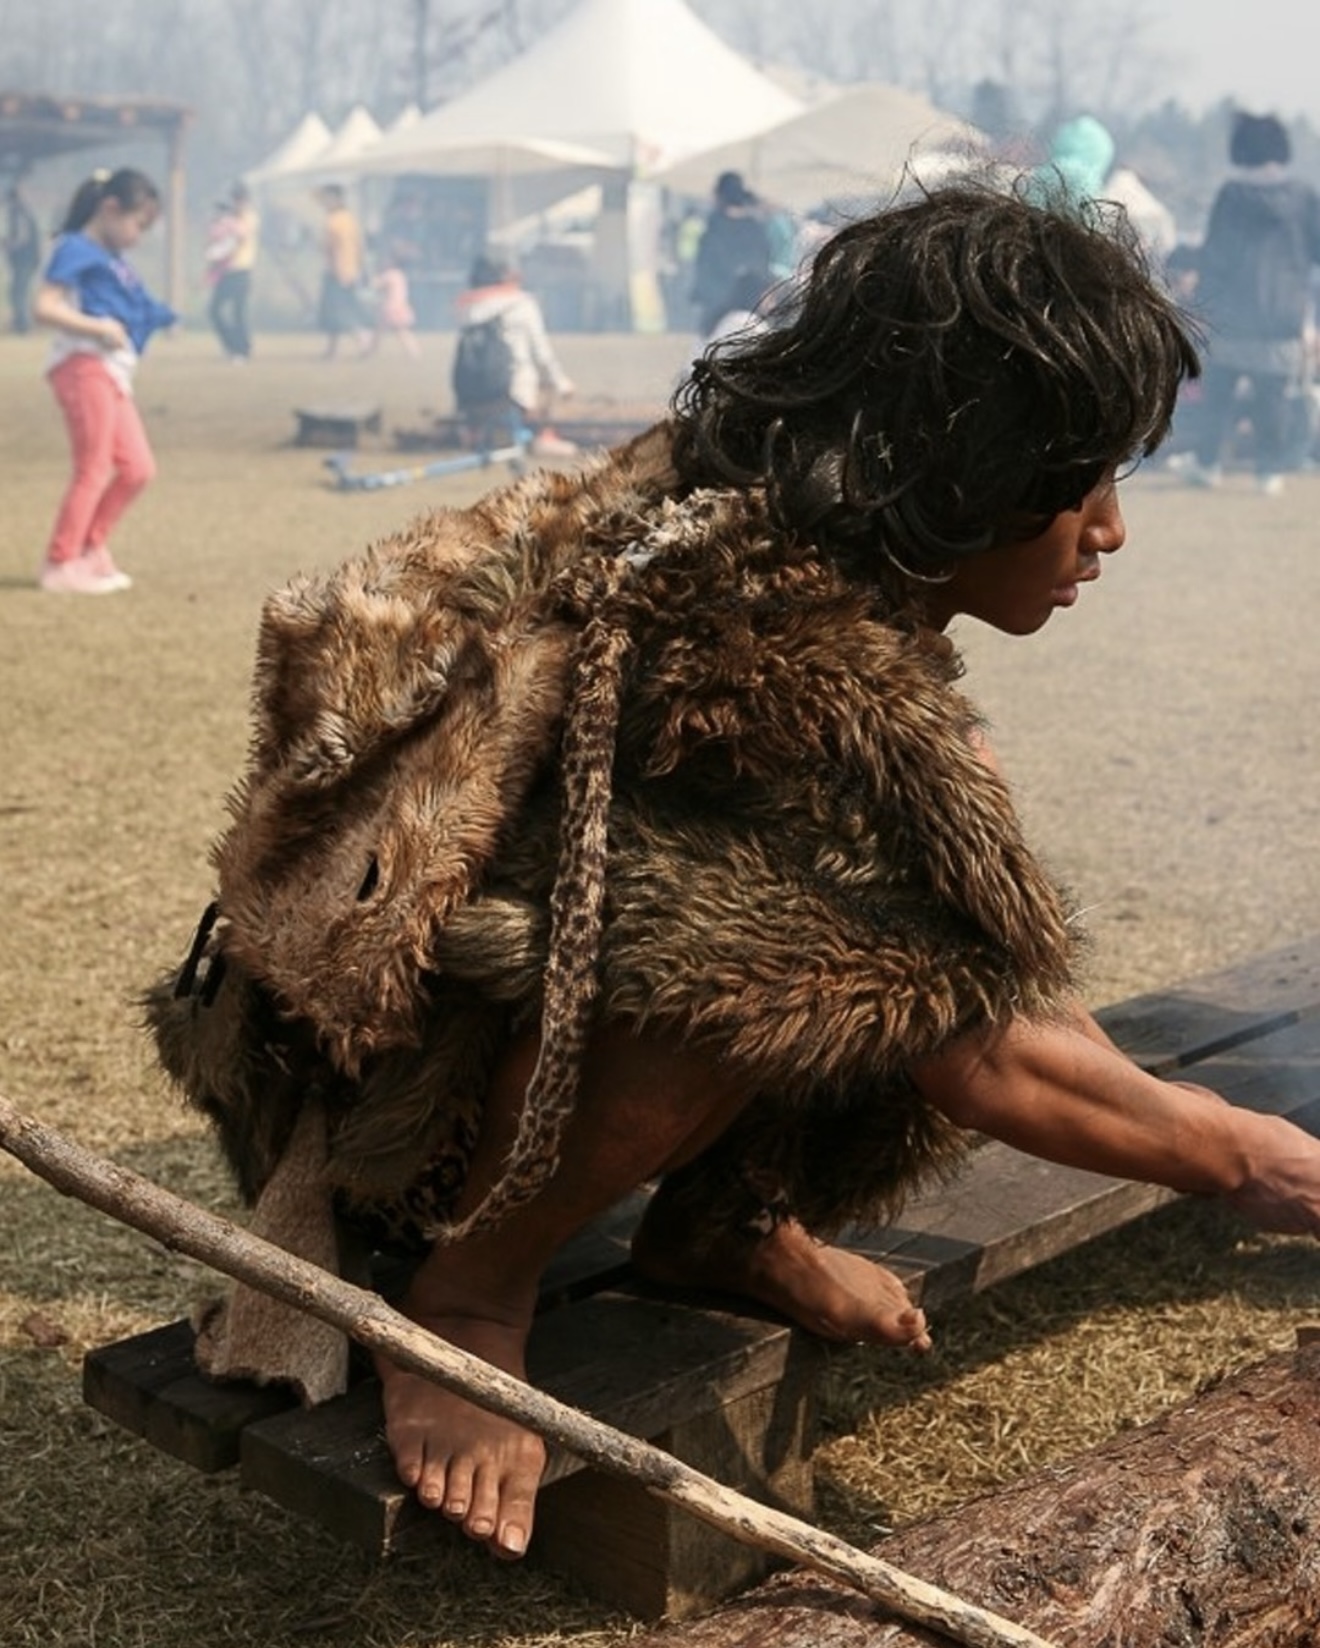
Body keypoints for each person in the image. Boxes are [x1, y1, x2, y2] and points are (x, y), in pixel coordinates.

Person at [148, 181, 1320, 1570]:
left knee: (874, 923)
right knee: (770, 966)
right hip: (391, 1115)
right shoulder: (749, 649)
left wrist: (1210, 1125)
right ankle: (471, 1293)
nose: (1110, 531)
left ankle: (722, 1223)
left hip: (484, 1050)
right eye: (1085, 483)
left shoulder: (797, 556)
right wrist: (1240, 1151)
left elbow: (986, 966)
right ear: (970, 466)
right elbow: (981, 1053)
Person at [31, 167, 176, 595]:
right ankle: (60, 563)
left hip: (111, 371)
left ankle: (90, 549)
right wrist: (98, 327)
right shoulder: (74, 248)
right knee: (93, 467)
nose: (138, 236)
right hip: (82, 366)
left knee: (138, 468)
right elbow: (44, 307)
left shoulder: (114, 262)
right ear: (111, 208)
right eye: (138, 224)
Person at [1181, 111, 1320, 496]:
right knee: (1272, 400)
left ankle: (1208, 463)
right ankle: (1269, 472)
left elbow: (1215, 257)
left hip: (1233, 315)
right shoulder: (1303, 198)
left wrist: (1202, 304)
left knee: (1218, 396)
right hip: (1283, 316)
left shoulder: (1232, 195)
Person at [452, 251, 575, 455]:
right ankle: (542, 435)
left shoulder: (466, 307)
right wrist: (562, 384)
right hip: (509, 393)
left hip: (468, 395)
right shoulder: (522, 305)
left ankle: (476, 432)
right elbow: (542, 354)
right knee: (547, 382)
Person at [690, 169, 774, 337]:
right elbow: (763, 264)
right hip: (752, 306)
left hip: (719, 308)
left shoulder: (714, 228)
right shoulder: (755, 228)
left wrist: (700, 295)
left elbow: (704, 268)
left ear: (720, 196)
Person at [314, 183, 371, 359]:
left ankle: (363, 338)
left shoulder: (335, 221)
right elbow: (360, 246)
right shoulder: (348, 218)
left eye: (327, 198)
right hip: (348, 270)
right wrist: (360, 268)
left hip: (338, 272)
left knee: (340, 311)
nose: (324, 202)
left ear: (336, 199)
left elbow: (334, 248)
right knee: (332, 312)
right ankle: (332, 350)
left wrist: (340, 270)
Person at [205, 181, 259, 362]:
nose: (237, 203)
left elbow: (238, 240)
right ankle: (232, 344)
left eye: (240, 199)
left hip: (241, 269)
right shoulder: (231, 218)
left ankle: (242, 349)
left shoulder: (249, 218)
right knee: (214, 310)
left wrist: (218, 252)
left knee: (238, 312)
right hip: (226, 271)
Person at [363, 254, 420, 359]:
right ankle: (369, 351)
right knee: (380, 330)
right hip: (401, 304)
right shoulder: (399, 274)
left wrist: (371, 275)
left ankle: (413, 352)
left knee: (399, 331)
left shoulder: (389, 275)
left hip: (391, 306)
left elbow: (374, 285)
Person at [4, 180, 40, 335]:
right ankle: (20, 321)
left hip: (24, 258)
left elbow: (21, 238)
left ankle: (22, 324)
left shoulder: (19, 213)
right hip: (28, 258)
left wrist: (8, 245)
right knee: (19, 290)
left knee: (19, 291)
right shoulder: (25, 211)